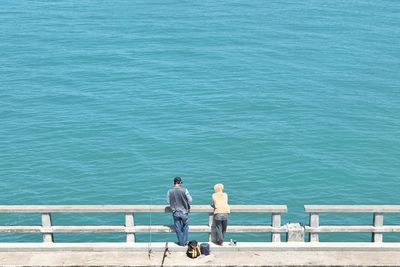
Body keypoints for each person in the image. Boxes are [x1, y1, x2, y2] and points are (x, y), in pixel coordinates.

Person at [166, 176, 192, 246]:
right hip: (184, 212)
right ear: (180, 182)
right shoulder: (185, 190)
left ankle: (181, 243)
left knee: (178, 228)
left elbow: (168, 201)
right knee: (185, 227)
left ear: (174, 183)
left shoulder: (170, 191)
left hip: (175, 212)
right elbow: (190, 200)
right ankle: (184, 243)